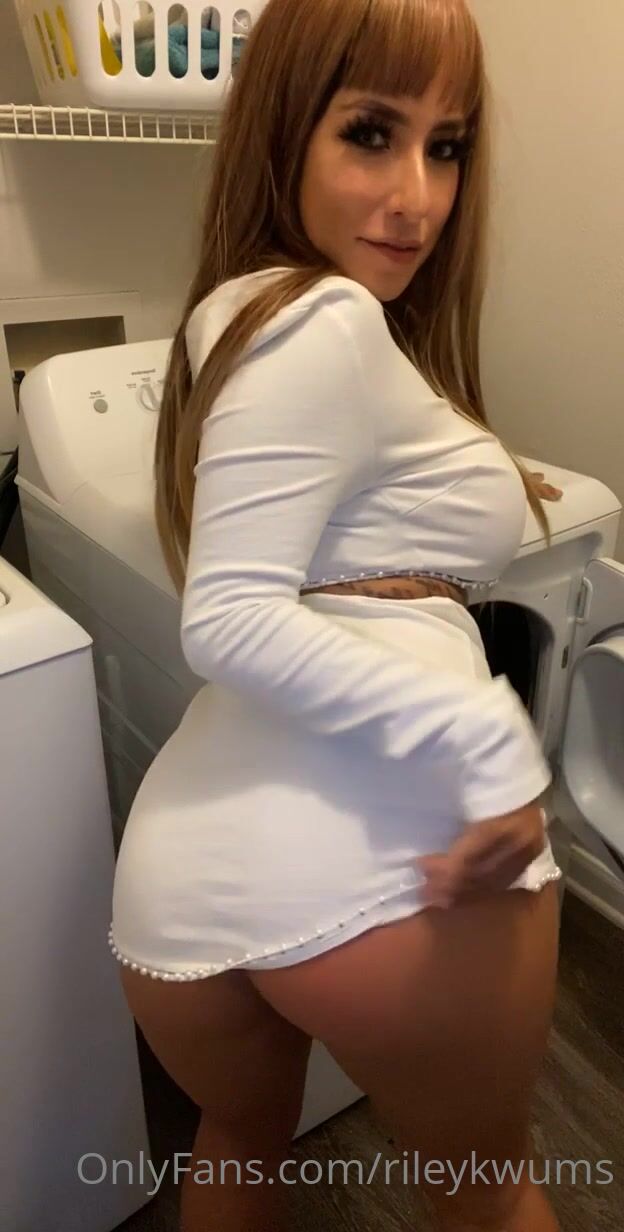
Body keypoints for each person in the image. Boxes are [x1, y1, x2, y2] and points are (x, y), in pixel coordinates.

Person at [109, 1, 566, 1228]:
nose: (417, 197)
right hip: (381, 860)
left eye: (446, 146)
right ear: (283, 131)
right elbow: (230, 618)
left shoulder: (240, 314)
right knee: (484, 1190)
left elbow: (315, 547)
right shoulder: (327, 319)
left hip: (183, 874)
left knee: (238, 1142)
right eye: (371, 132)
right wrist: (485, 738)